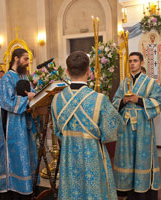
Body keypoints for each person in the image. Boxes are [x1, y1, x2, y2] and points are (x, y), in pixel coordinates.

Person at [51, 51, 123, 200]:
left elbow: (57, 131)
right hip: (93, 156)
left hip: (68, 156)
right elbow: (111, 132)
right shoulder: (99, 99)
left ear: (67, 72)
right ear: (89, 71)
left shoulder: (57, 99)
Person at [112, 52, 161, 200]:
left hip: (143, 126)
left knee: (142, 156)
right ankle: (126, 190)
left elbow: (159, 102)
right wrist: (123, 101)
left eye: (135, 61)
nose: (132, 64)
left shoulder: (150, 82)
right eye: (130, 61)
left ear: (141, 62)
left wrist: (139, 100)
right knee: (126, 157)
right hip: (125, 126)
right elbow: (114, 102)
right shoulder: (123, 83)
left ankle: (143, 191)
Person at [0, 48, 37, 200]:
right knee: (16, 157)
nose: (27, 63)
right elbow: (7, 102)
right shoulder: (6, 79)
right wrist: (28, 99)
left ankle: (27, 189)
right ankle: (14, 190)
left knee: (27, 157)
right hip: (12, 126)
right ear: (15, 58)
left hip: (25, 124)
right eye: (25, 59)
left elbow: (32, 94)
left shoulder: (23, 76)